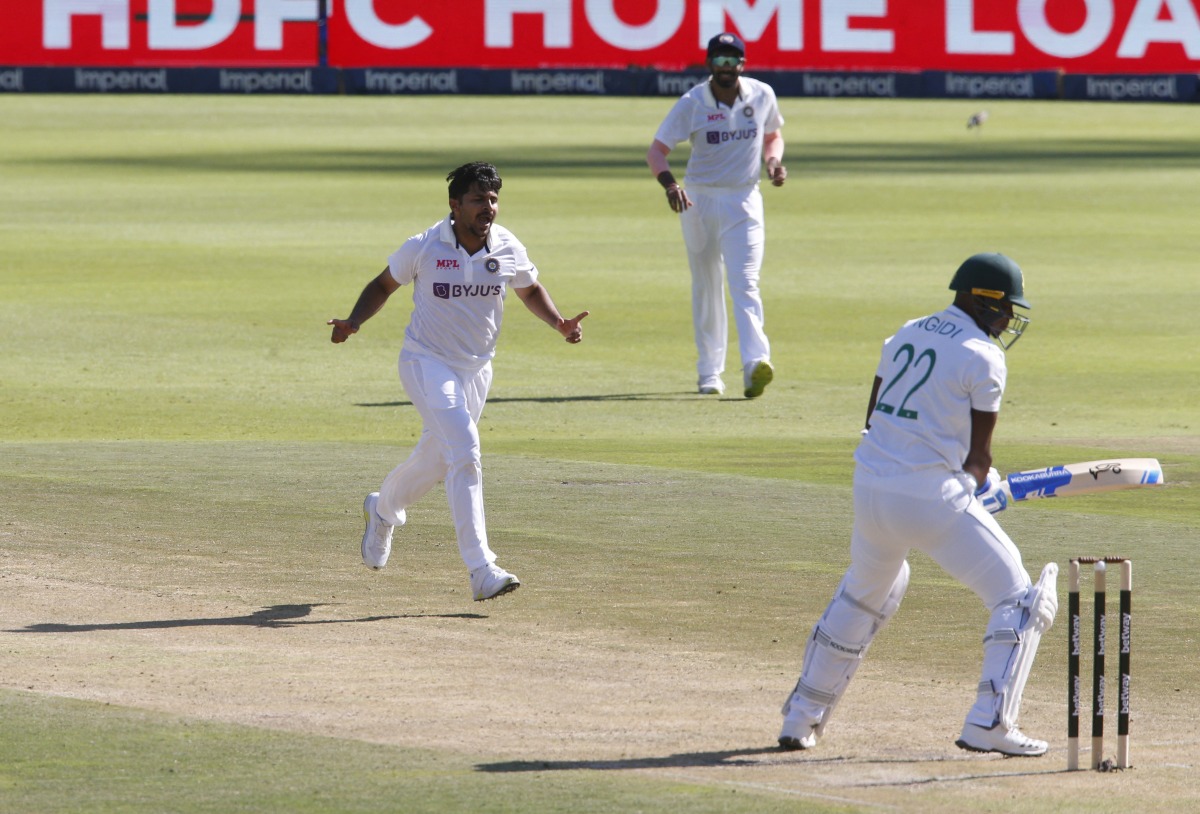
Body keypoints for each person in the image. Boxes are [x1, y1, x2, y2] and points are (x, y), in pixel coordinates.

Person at [778, 253, 1059, 756]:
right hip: (930, 496)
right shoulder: (985, 355)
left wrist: (965, 482)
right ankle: (989, 724)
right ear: (980, 299)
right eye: (1004, 309)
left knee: (866, 593)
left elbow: (874, 420)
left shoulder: (905, 332)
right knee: (1021, 598)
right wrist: (976, 486)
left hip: (870, 487)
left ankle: (800, 718)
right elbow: (979, 456)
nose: (1008, 320)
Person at [328, 162, 589, 602]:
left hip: (477, 369)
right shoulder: (427, 245)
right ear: (454, 205)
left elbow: (528, 289)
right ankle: (480, 568)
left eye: (493, 200)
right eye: (477, 200)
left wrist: (559, 323)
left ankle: (384, 507)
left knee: (438, 461)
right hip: (425, 362)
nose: (488, 208)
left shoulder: (507, 246)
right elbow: (383, 283)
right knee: (465, 449)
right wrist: (353, 321)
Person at [646, 31, 787, 399]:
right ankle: (709, 373)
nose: (726, 67)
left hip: (744, 198)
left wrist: (773, 162)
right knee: (708, 285)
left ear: (743, 64)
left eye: (733, 60)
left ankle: (756, 363)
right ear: (709, 64)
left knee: (746, 282)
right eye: (720, 60)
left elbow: (773, 135)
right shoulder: (692, 101)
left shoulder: (762, 94)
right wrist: (670, 185)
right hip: (699, 201)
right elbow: (657, 152)